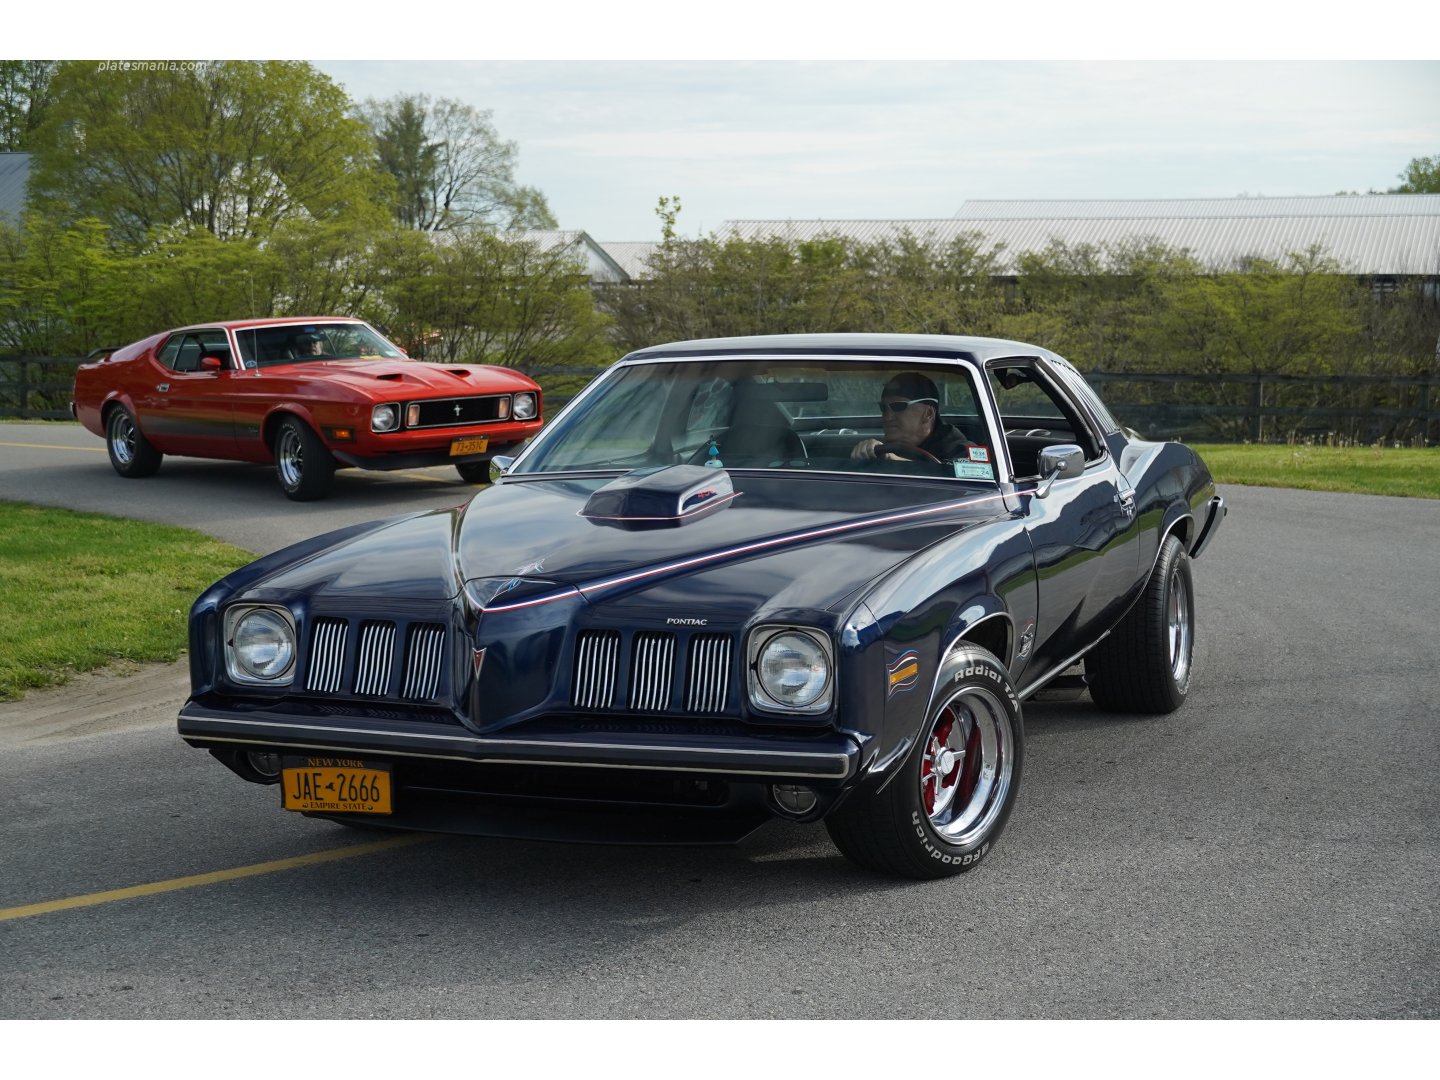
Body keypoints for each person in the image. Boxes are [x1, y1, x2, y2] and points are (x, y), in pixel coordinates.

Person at [851, 372, 973, 462]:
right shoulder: (880, 449)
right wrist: (867, 452)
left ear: (928, 413)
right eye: (883, 408)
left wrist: (893, 460)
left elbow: (962, 478)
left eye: (899, 407)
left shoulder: (962, 451)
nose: (887, 417)